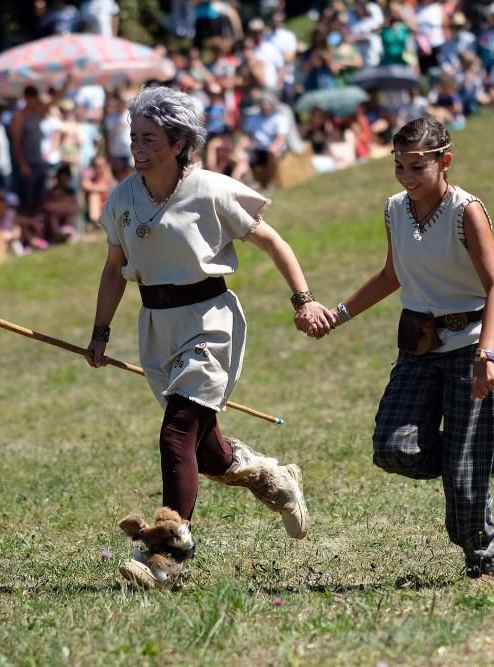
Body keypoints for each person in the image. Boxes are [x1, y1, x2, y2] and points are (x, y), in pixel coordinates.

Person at [84, 86, 333, 589]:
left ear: (179, 142)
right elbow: (115, 270)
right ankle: (271, 477)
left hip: (209, 320)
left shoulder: (213, 191)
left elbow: (273, 241)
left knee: (177, 431)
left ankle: (167, 552)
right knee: (206, 449)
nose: (139, 147)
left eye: (150, 138)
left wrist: (303, 299)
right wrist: (100, 331)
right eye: (134, 137)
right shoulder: (123, 199)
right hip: (155, 326)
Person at [325, 117, 494, 582]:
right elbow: (392, 275)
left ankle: (485, 555)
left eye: (417, 168)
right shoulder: (395, 208)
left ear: (443, 162)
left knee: (466, 472)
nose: (407, 179)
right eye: (399, 167)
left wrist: (486, 355)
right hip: (419, 345)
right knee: (393, 447)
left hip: (474, 343)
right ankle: (467, 461)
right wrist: (339, 314)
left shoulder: (466, 210)